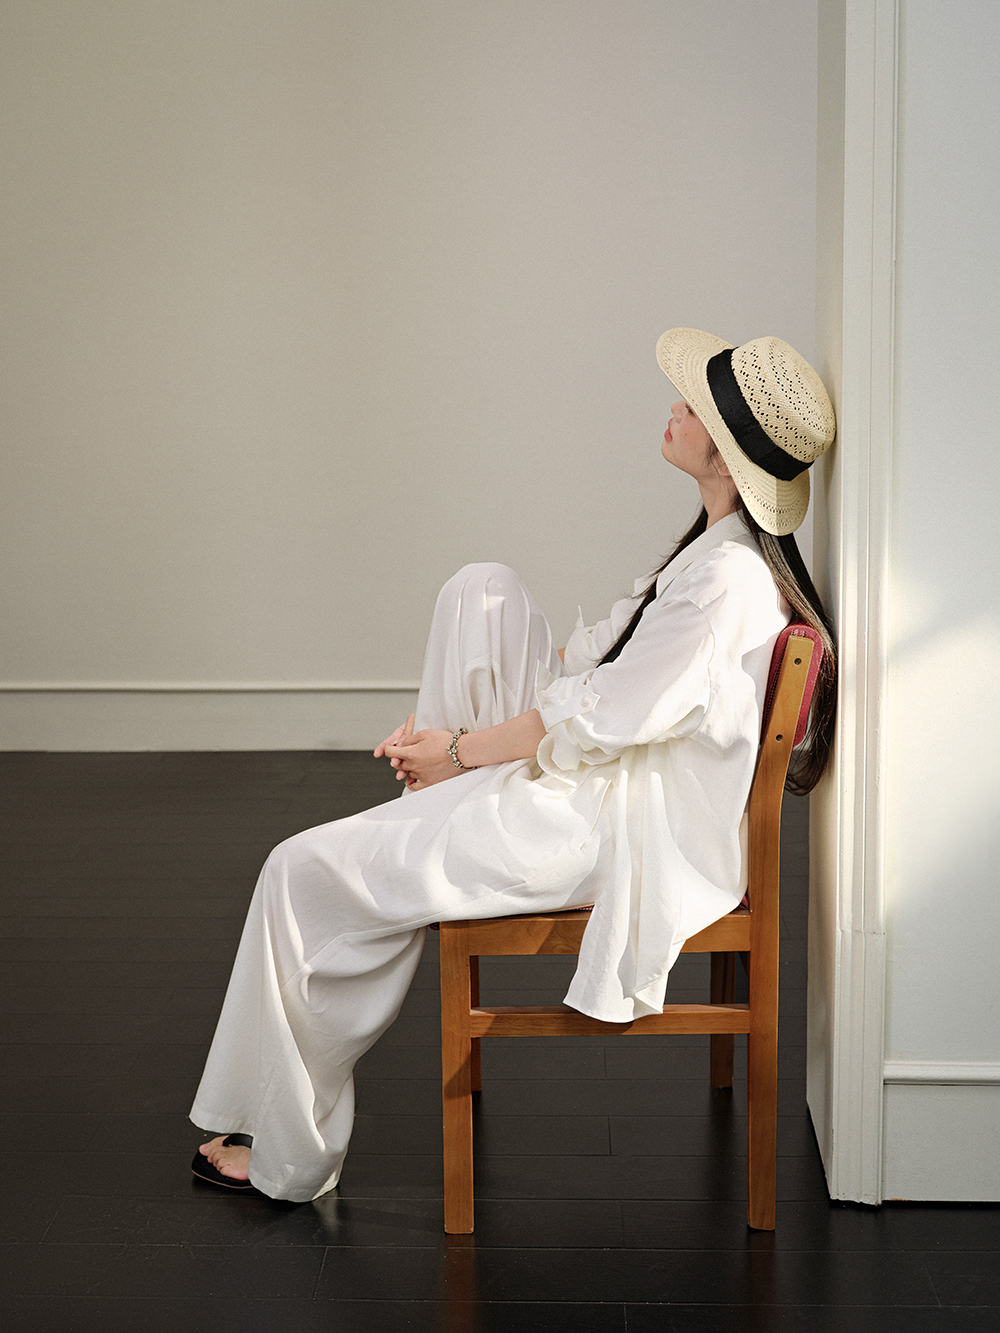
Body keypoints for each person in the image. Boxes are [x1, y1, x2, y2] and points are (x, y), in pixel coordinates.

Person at [190, 327, 837, 1201]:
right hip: (607, 782)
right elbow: (597, 666)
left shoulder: (725, 585)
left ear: (723, 454)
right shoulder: (714, 554)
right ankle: (433, 781)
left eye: (690, 405)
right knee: (482, 589)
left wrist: (463, 748)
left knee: (294, 870)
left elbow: (597, 717)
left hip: (610, 823)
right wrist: (455, 736)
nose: (673, 409)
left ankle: (286, 1151)